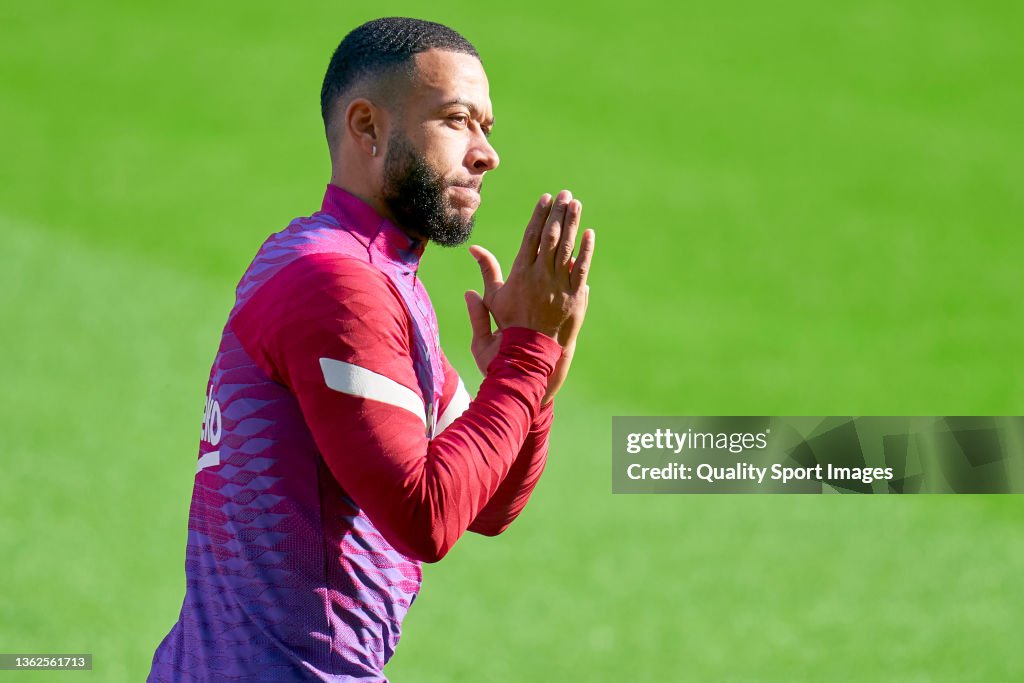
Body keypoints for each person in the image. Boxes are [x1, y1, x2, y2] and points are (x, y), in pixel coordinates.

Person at [149, 16, 594, 682]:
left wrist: (534, 371)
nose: (485, 152)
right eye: (456, 120)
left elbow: (489, 500)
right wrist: (526, 357)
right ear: (367, 127)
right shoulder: (336, 284)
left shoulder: (376, 279)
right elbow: (426, 516)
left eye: (487, 128)